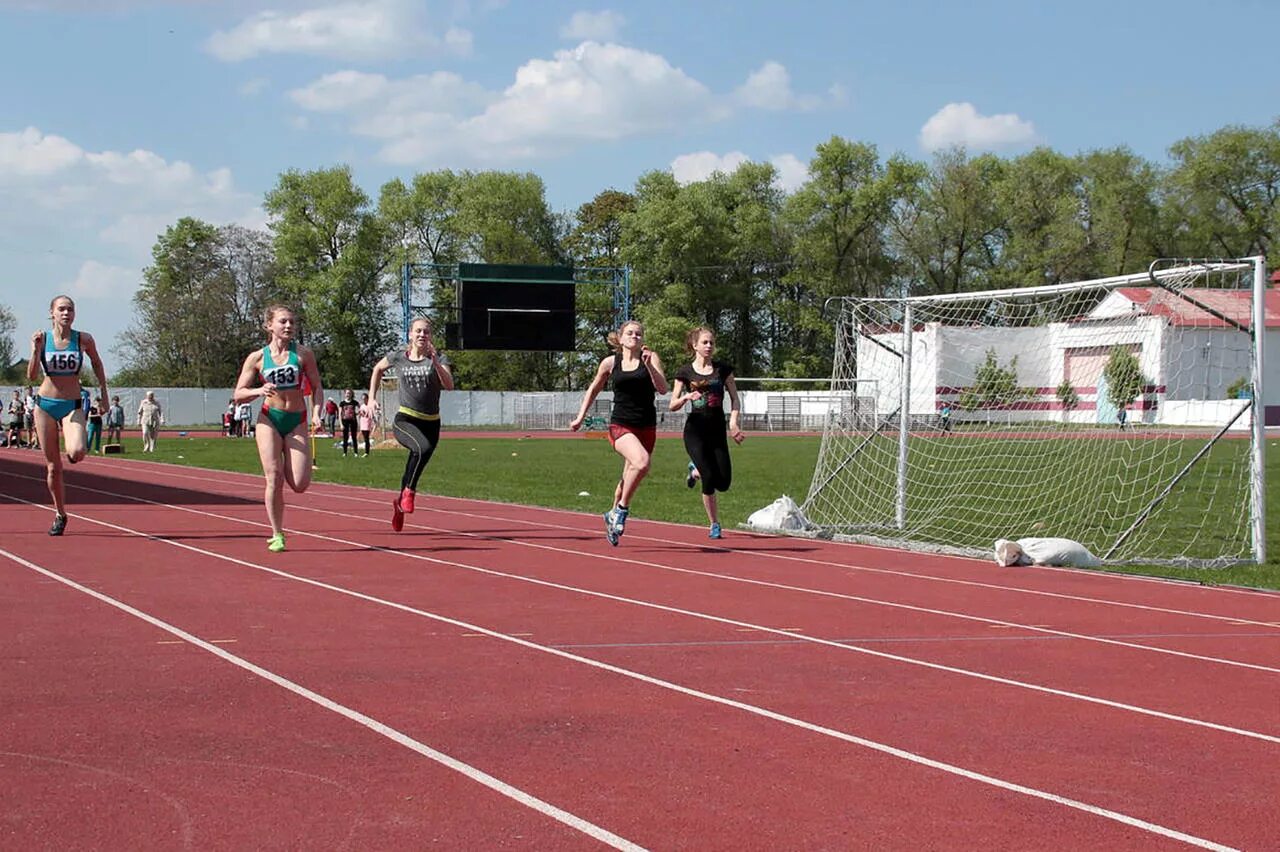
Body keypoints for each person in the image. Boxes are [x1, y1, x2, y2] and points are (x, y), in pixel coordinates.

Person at [570, 319, 669, 546]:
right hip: (620, 425)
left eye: (639, 334)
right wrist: (580, 417)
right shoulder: (610, 363)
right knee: (642, 463)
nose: (635, 336)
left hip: (647, 426)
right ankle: (621, 511)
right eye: (630, 333)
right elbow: (593, 389)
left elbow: (663, 389)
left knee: (627, 478)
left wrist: (650, 366)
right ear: (621, 338)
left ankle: (612, 514)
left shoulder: (650, 358)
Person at [233, 304, 323, 552]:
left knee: (300, 484)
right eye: (283, 322)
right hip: (269, 418)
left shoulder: (303, 354)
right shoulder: (258, 358)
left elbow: (317, 386)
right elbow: (238, 393)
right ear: (269, 325)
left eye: (292, 322)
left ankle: (289, 461)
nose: (288, 326)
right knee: (273, 477)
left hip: (297, 419)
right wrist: (258, 390)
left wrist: (316, 411)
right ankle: (277, 533)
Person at [27, 294, 109, 535]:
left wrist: (103, 392)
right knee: (53, 467)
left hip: (71, 405)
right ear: (52, 313)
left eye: (70, 309)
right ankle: (60, 514)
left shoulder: (83, 339)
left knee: (77, 451)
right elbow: (31, 376)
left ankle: (72, 449)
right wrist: (35, 350)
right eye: (61, 309)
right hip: (45, 406)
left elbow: (97, 363)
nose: (66, 313)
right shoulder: (43, 339)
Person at [367, 317, 454, 531]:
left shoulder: (439, 358)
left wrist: (435, 362)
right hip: (405, 419)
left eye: (426, 332)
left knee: (417, 461)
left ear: (430, 336)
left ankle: (399, 502)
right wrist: (371, 398)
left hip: (431, 422)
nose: (422, 335)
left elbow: (449, 385)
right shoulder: (398, 357)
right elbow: (378, 369)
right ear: (410, 334)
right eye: (418, 331)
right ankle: (409, 494)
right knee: (420, 448)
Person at [669, 326, 744, 539]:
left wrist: (733, 423)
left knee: (724, 483)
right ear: (695, 345)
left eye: (711, 342)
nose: (709, 346)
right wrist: (685, 398)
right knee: (709, 477)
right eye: (705, 342)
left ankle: (694, 471)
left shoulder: (723, 370)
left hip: (717, 430)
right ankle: (714, 524)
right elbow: (672, 404)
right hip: (695, 431)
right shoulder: (685, 372)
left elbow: (735, 398)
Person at [338, 389, 359, 457]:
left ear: (351, 394)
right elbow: (340, 414)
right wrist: (341, 424)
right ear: (345, 394)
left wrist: (357, 413)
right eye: (347, 393)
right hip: (345, 421)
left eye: (349, 393)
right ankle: (345, 452)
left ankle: (356, 452)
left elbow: (360, 408)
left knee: (354, 437)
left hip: (353, 421)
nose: (348, 395)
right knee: (345, 437)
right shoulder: (342, 403)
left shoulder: (354, 402)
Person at [357, 392, 377, 457]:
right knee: (364, 438)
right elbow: (360, 414)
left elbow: (371, 415)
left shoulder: (369, 406)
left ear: (367, 399)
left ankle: (366, 452)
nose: (364, 400)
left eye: (365, 398)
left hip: (367, 424)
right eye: (363, 399)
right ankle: (366, 451)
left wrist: (374, 420)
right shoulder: (362, 406)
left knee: (366, 438)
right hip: (362, 423)